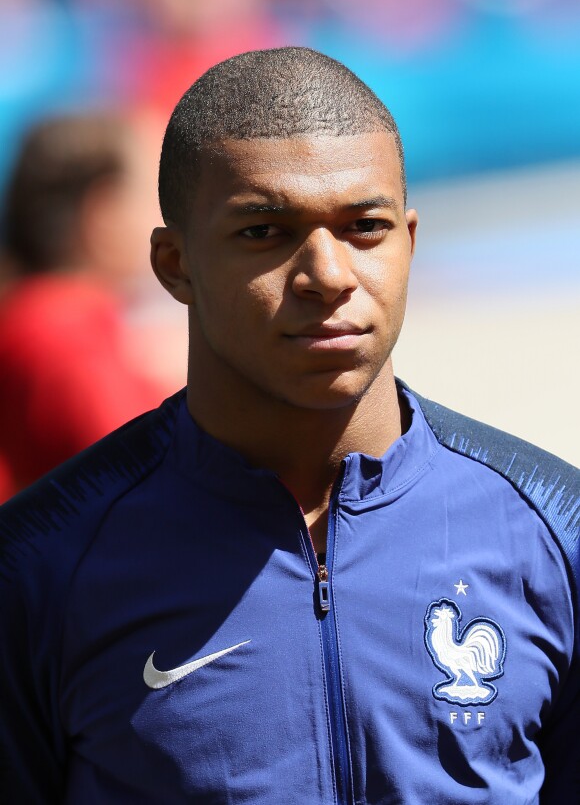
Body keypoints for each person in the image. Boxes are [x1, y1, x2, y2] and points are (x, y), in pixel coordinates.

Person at [0, 47, 578, 804]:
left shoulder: (553, 531)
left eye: (365, 227)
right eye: (263, 232)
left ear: (409, 239)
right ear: (174, 264)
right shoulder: (39, 570)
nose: (329, 275)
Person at [0, 112, 172, 498]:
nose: (173, 214)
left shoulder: (45, 315)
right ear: (102, 213)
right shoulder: (61, 333)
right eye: (158, 192)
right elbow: (152, 479)